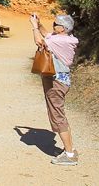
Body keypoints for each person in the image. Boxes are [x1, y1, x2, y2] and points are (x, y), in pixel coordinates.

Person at [30, 12, 79, 166]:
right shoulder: (64, 38)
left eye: (55, 24)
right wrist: (39, 24)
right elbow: (47, 34)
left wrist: (33, 28)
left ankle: (70, 154)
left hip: (56, 82)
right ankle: (69, 150)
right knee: (58, 114)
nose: (53, 26)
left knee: (58, 116)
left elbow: (39, 41)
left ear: (63, 28)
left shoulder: (60, 41)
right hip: (59, 81)